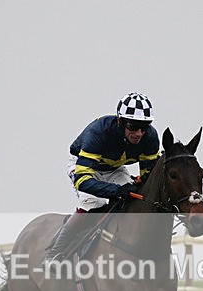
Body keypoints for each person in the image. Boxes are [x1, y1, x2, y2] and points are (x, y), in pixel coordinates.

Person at [43, 92, 161, 266]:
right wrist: (117, 190)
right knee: (93, 203)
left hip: (114, 168)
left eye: (144, 127)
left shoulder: (150, 137)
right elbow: (82, 181)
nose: (139, 133)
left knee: (132, 201)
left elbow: (147, 176)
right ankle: (53, 254)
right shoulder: (99, 132)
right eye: (133, 126)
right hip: (84, 167)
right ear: (120, 122)